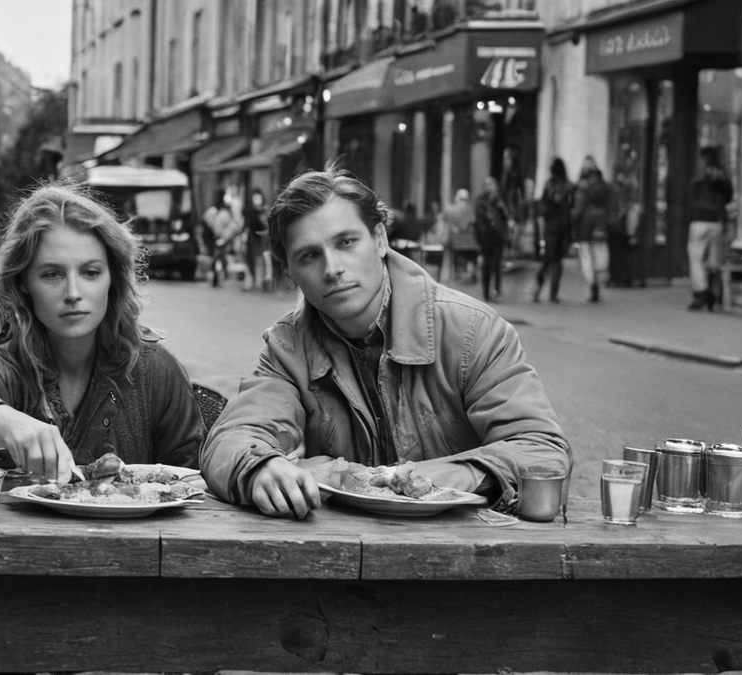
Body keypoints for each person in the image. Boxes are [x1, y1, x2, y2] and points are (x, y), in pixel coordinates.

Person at [199, 166, 570, 519]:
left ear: (379, 239)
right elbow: (231, 439)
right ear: (289, 271)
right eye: (309, 256)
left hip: (467, 548)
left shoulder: (471, 330)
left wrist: (408, 480)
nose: (332, 269)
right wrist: (259, 468)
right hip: (344, 553)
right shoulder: (288, 347)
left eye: (346, 242)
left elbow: (542, 452)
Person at [0, 182, 204, 481]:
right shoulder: (2, 365)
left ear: (113, 277)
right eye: (52, 274)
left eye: (90, 272)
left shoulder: (154, 369)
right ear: (23, 282)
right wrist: (1, 421)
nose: (73, 293)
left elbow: (193, 481)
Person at [687, 146, 734, 311]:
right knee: (714, 259)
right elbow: (729, 196)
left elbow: (693, 191)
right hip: (717, 220)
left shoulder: (701, 171)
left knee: (696, 258)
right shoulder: (723, 173)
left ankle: (701, 292)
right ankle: (715, 293)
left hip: (700, 219)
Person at [571, 156, 613, 303]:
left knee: (587, 258)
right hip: (601, 227)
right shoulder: (604, 186)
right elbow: (610, 206)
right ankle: (598, 287)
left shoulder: (582, 187)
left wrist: (572, 223)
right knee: (600, 258)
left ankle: (593, 287)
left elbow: (578, 209)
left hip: (586, 227)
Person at [532, 158, 574, 303]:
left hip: (551, 228)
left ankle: (538, 289)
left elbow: (543, 207)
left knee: (548, 261)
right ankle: (552, 293)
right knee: (556, 262)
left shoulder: (549, 185)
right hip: (563, 228)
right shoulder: (568, 186)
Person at [474, 176, 511, 302]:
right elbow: (479, 217)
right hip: (486, 236)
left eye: (493, 184)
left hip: (498, 235)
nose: (491, 187)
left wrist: (501, 206)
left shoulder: (500, 200)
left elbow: (506, 216)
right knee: (487, 264)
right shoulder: (481, 200)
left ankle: (497, 289)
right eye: (488, 184)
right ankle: (486, 291)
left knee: (497, 263)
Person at [203, 189, 242, 288]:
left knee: (218, 257)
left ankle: (219, 276)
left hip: (220, 237)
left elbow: (233, 225)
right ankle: (219, 276)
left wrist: (224, 236)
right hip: (218, 237)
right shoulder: (218, 211)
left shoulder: (218, 211)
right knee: (219, 257)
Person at [443, 188, 478, 283]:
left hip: (456, 242)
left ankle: (458, 273)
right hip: (470, 242)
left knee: (458, 258)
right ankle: (470, 273)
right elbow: (472, 223)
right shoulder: (471, 209)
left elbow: (445, 220)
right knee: (471, 257)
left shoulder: (450, 209)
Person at [242, 187, 273, 292]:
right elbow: (246, 224)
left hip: (263, 237)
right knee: (250, 259)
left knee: (261, 259)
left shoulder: (265, 210)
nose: (256, 200)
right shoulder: (249, 210)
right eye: (255, 198)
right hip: (252, 237)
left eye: (258, 198)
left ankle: (262, 282)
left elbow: (267, 224)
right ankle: (252, 282)